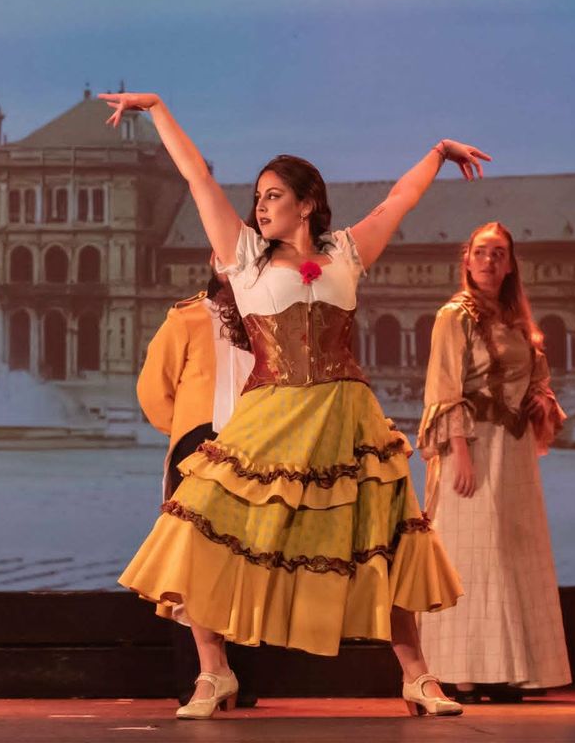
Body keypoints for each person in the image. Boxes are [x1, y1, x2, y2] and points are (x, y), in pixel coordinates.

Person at [100, 90, 490, 719]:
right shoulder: (243, 256)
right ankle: (213, 672)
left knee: (383, 540)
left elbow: (398, 201)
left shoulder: (346, 252)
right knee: (202, 530)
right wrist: (158, 109)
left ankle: (417, 676)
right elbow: (197, 175)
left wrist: (438, 154)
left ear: (308, 203)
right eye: (258, 196)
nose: (260, 204)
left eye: (274, 195)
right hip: (272, 413)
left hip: (345, 416)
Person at [417, 222, 571, 702]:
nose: (489, 261)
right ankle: (462, 672)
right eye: (481, 252)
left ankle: (507, 670)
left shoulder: (517, 319)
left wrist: (541, 401)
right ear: (467, 259)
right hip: (474, 445)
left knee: (510, 554)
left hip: (514, 450)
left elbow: (538, 378)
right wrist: (460, 453)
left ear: (510, 264)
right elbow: (445, 388)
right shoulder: (454, 316)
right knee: (471, 554)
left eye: (499, 254)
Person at [136, 263, 256, 706]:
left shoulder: (267, 320)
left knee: (246, 563)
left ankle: (240, 677)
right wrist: (185, 433)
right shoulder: (185, 318)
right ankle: (196, 674)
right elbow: (154, 388)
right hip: (198, 447)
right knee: (191, 562)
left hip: (253, 450)